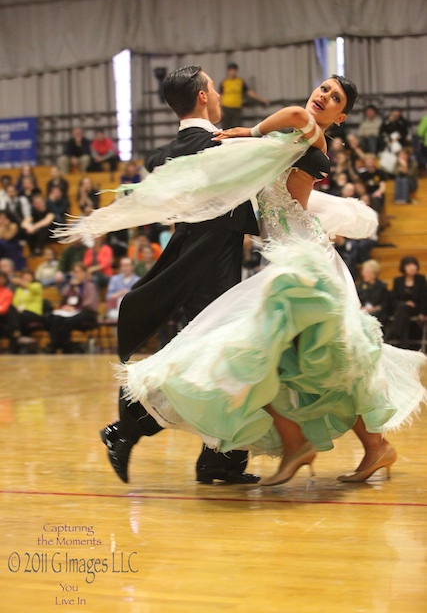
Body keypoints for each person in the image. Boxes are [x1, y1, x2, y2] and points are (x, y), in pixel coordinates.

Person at [55, 75, 427, 486]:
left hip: (303, 259)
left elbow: (295, 114)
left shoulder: (306, 130)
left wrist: (249, 131)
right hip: (285, 255)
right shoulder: (289, 141)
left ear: (340, 117)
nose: (323, 96)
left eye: (334, 97)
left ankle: (314, 446)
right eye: (323, 88)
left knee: (282, 354)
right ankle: (344, 446)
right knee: (307, 361)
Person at [83, 65, 260, 485]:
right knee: (214, 365)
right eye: (213, 87)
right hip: (211, 270)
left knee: (223, 367)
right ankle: (126, 429)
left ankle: (221, 458)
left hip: (196, 265)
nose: (217, 93)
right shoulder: (219, 146)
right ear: (202, 97)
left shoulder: (164, 155)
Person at [48, 262, 98, 353]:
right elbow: (63, 294)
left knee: (68, 321)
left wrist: (76, 308)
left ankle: (66, 346)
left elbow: (89, 302)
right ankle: (54, 345)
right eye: (75, 272)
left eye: (78, 272)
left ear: (84, 273)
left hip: (86, 312)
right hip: (70, 311)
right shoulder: (72, 285)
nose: (76, 274)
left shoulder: (89, 285)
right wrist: (71, 285)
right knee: (56, 319)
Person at [386, 256, 427, 349]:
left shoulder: (421, 279)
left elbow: (424, 298)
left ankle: (392, 333)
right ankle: (404, 344)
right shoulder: (398, 280)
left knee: (403, 310)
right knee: (404, 312)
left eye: (414, 265)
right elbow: (393, 299)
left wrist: (422, 313)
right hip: (403, 310)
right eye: (409, 265)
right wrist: (404, 304)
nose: (413, 267)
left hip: (416, 308)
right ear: (404, 267)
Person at [220, 63, 269, 129]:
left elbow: (249, 92)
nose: (232, 72)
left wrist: (262, 99)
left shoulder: (240, 81)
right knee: (226, 126)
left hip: (236, 107)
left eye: (234, 70)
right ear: (228, 71)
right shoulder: (224, 82)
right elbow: (220, 96)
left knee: (237, 126)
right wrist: (220, 109)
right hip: (226, 107)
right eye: (231, 70)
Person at [356, 259, 390, 327]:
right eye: (363, 271)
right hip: (362, 311)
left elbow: (385, 304)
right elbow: (356, 300)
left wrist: (373, 309)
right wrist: (362, 308)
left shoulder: (382, 286)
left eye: (367, 272)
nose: (363, 274)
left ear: (374, 274)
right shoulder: (360, 286)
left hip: (376, 313)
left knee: (374, 316)